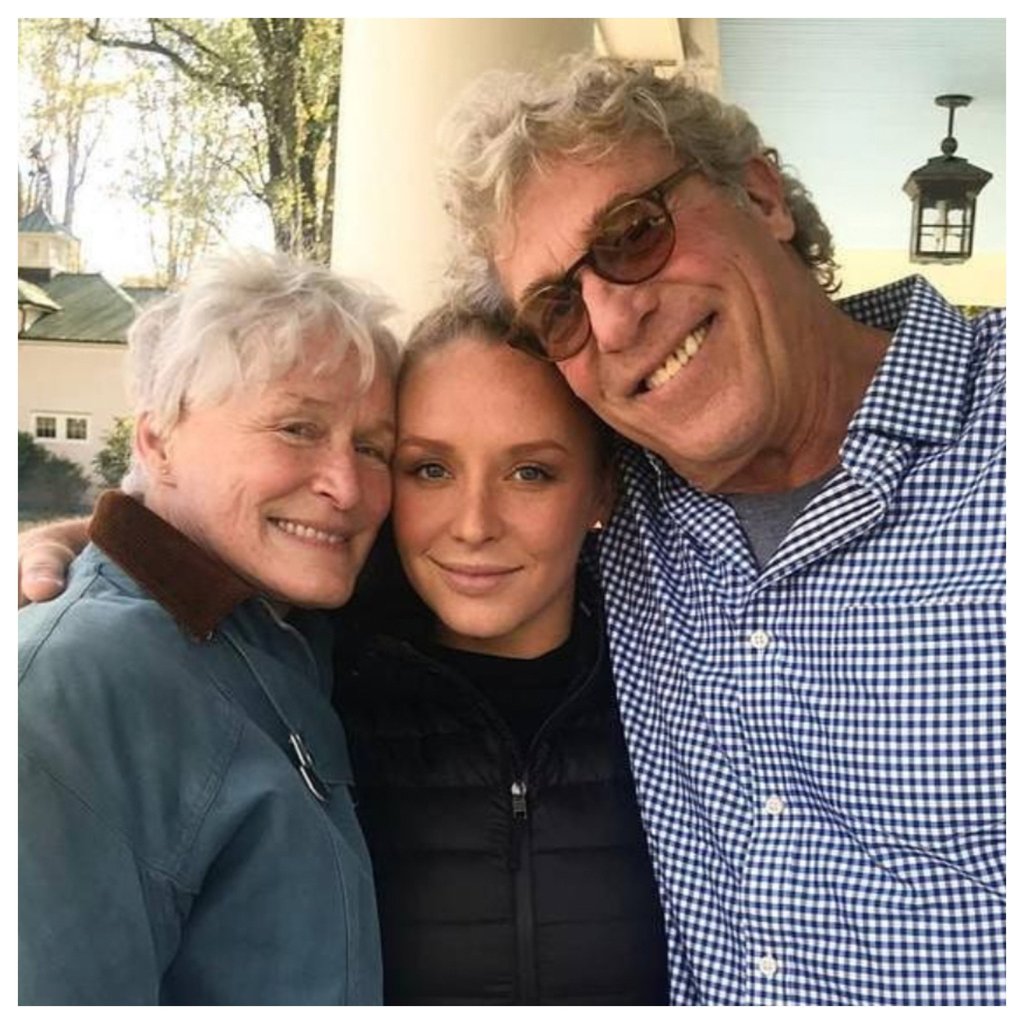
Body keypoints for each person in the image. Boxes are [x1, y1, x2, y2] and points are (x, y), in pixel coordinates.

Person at [437, 56, 1006, 1005]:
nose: (613, 322)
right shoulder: (611, 510)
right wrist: (121, 557)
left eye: (631, 234)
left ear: (762, 193)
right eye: (557, 309)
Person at [19, 250, 398, 1004]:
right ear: (157, 442)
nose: (347, 485)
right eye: (297, 428)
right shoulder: (66, 695)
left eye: (372, 446)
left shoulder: (293, 637)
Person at [337, 302, 668, 1004]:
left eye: (530, 473)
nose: (475, 525)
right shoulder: (317, 691)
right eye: (430, 470)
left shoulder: (679, 683)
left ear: (601, 489)